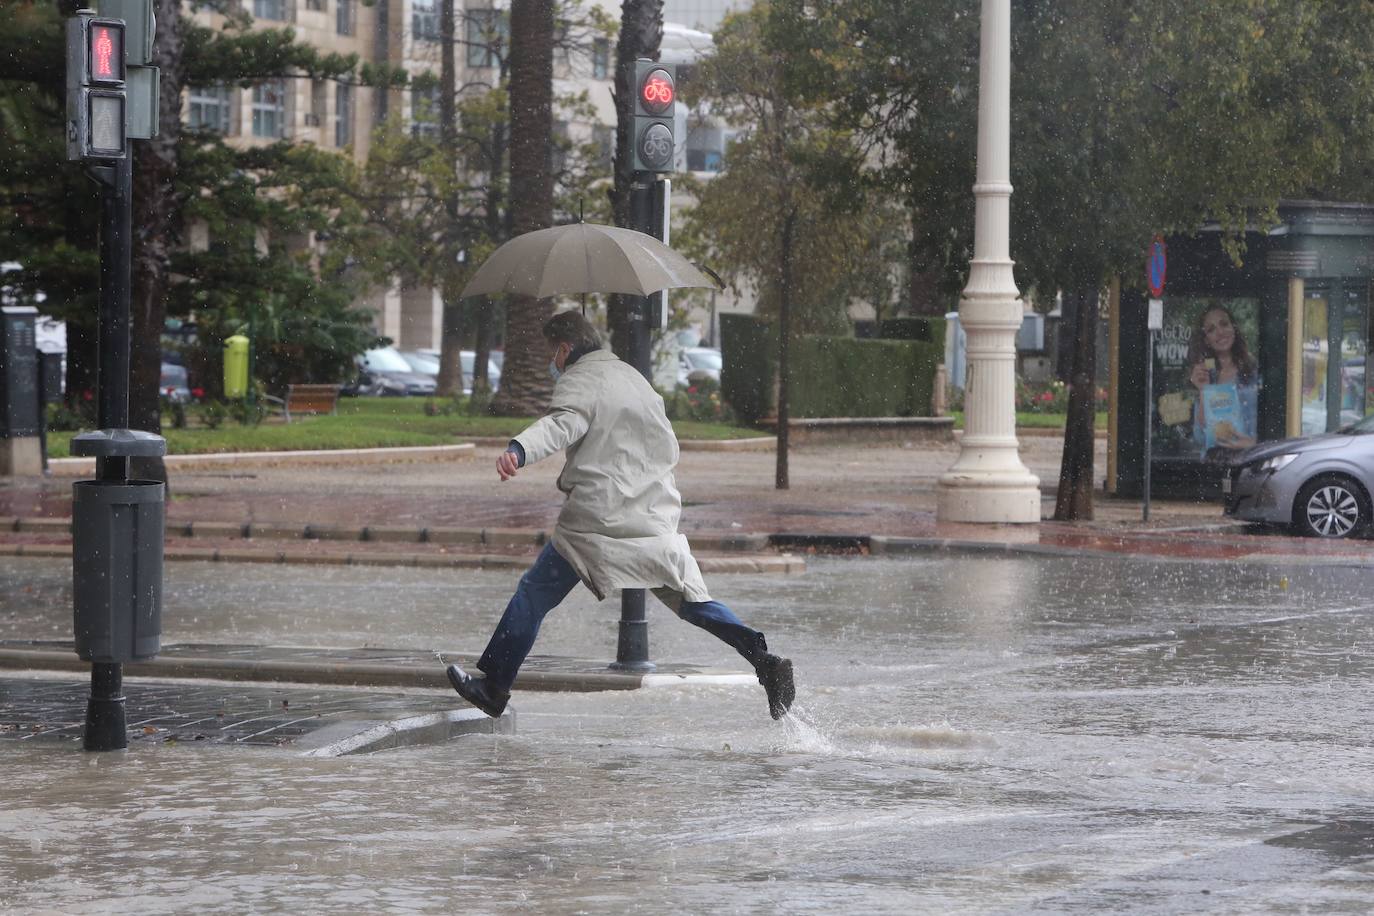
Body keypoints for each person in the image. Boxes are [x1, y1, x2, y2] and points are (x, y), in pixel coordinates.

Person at [445, 311, 795, 720]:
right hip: (651, 515)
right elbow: (665, 445)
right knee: (692, 600)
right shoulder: (635, 379)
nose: (551, 364)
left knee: (533, 595)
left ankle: (494, 686)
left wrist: (518, 451)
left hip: (596, 522)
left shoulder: (581, 380)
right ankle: (764, 660)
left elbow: (560, 425)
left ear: (564, 349)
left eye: (551, 354)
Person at [1187, 305, 1258, 454]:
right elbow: (1200, 437)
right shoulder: (1206, 374)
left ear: (1234, 328)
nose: (1220, 332)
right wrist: (1203, 390)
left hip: (1250, 461)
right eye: (1211, 330)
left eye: (1224, 324)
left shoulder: (1253, 372)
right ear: (1206, 340)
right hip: (1215, 463)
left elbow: (1270, 426)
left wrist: (1253, 444)